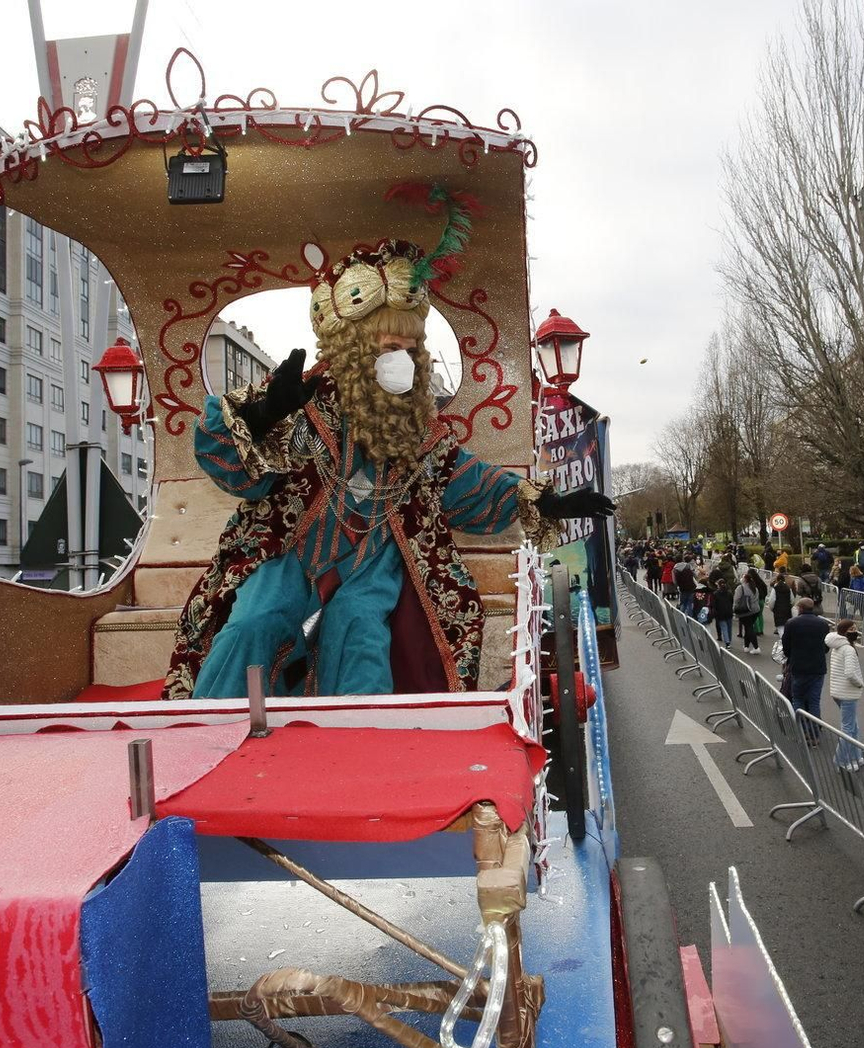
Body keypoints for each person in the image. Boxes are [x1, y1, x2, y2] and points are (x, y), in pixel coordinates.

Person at [162, 211, 612, 700]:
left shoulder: (416, 432)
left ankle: (363, 741)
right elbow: (234, 470)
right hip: (288, 550)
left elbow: (462, 480)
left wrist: (543, 502)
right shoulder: (302, 399)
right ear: (355, 345)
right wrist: (267, 413)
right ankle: (211, 726)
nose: (403, 354)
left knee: (360, 632)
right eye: (389, 343)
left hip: (372, 557)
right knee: (255, 621)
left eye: (410, 344)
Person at [782, 596, 830, 746]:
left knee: (798, 699)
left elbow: (786, 646)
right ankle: (814, 734)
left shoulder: (792, 623)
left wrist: (792, 657)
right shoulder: (823, 624)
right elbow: (826, 646)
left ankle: (803, 730)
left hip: (798, 667)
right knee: (814, 701)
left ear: (800, 609)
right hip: (818, 668)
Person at [825, 619, 864, 770]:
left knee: (853, 726)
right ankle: (841, 760)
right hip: (847, 693)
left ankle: (856, 756)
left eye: (856, 628)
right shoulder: (848, 649)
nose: (855, 631)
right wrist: (859, 683)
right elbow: (850, 673)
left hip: (838, 691)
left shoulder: (837, 645)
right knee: (849, 729)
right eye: (852, 629)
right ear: (844, 632)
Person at [734, 572, 762, 655]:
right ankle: (746, 646)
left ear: (745, 579)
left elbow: (736, 599)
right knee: (748, 627)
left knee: (749, 628)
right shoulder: (754, 588)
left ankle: (756, 647)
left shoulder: (740, 588)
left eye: (743, 577)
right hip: (755, 610)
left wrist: (734, 609)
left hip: (745, 611)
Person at [710, 577, 735, 648]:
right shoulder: (729, 593)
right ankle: (729, 640)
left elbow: (714, 604)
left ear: (718, 585)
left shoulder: (715, 594)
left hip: (720, 613)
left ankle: (727, 642)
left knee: (724, 627)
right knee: (729, 627)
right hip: (729, 612)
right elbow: (732, 601)